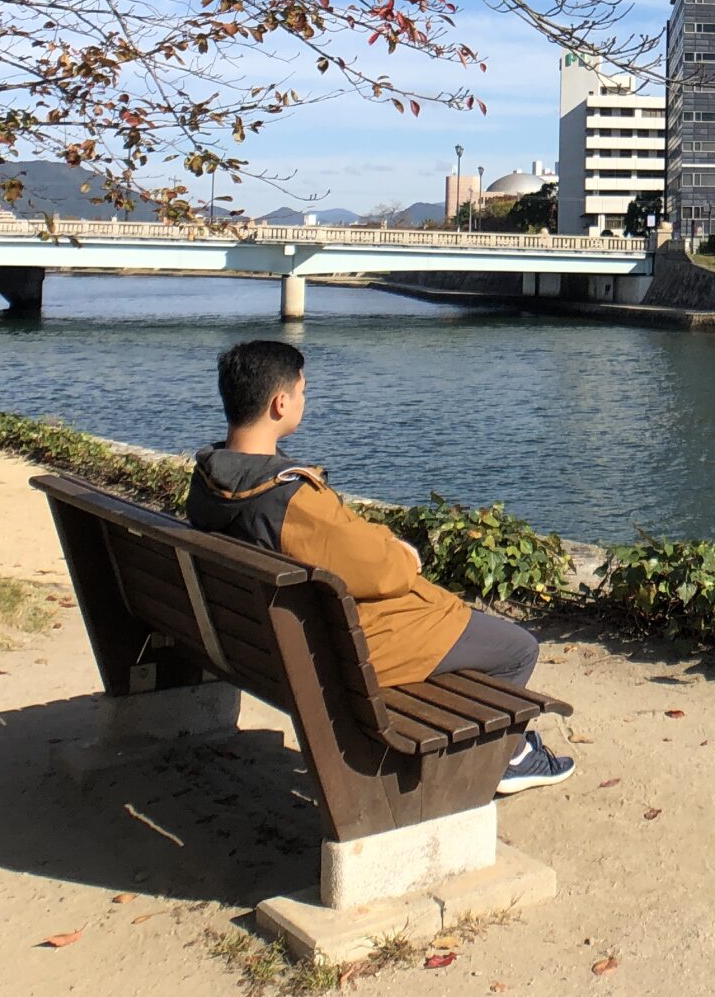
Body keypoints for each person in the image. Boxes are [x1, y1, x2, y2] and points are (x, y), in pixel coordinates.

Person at [189, 340, 574, 795]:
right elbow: (384, 571)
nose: (304, 400)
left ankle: (502, 746)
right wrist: (402, 553)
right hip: (338, 659)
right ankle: (510, 757)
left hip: (255, 644)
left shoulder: (211, 480)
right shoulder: (288, 500)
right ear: (280, 403)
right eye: (302, 391)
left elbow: (339, 548)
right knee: (517, 648)